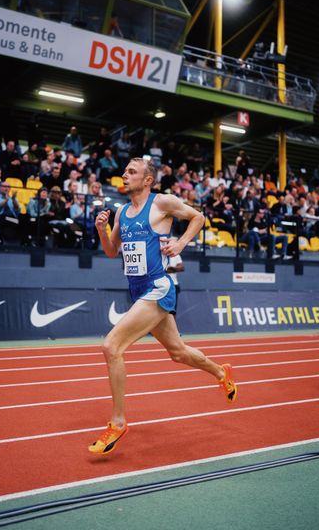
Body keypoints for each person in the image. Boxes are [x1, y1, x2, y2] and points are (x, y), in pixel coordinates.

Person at [88, 157, 237, 455]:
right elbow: (110, 252)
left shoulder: (162, 202)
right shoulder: (121, 213)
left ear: (147, 180)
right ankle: (222, 373)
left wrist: (180, 244)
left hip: (159, 288)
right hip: (139, 291)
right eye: (125, 170)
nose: (124, 174)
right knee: (178, 353)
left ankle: (118, 423)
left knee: (111, 347)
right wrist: (102, 230)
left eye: (132, 171)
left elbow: (198, 218)